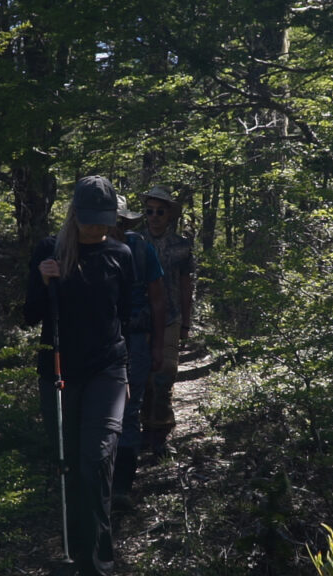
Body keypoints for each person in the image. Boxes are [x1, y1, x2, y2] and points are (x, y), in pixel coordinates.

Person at [24, 175, 133, 576]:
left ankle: (98, 561)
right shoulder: (49, 251)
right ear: (75, 215)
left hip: (108, 369)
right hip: (59, 371)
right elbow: (31, 315)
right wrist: (43, 278)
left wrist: (128, 370)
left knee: (97, 458)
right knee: (69, 464)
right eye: (91, 220)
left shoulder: (122, 254)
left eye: (104, 220)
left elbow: (123, 314)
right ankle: (75, 554)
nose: (98, 228)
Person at [109, 195, 165, 511]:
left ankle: (122, 486)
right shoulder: (81, 250)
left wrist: (158, 345)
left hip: (137, 341)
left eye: (119, 221)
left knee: (129, 412)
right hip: (96, 343)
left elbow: (159, 299)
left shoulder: (142, 249)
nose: (113, 228)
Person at [140, 185, 195, 457]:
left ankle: (161, 434)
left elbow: (186, 286)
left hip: (171, 319)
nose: (154, 216)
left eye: (160, 211)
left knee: (165, 376)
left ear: (170, 214)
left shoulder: (182, 247)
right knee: (143, 378)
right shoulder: (134, 242)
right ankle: (144, 431)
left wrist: (186, 323)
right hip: (141, 320)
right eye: (150, 211)